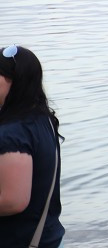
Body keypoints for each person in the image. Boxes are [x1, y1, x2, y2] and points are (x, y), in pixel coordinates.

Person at [0, 45, 64, 248]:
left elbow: (13, 201)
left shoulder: (13, 134)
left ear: (15, 80)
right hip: (47, 237)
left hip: (22, 241)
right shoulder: (42, 119)